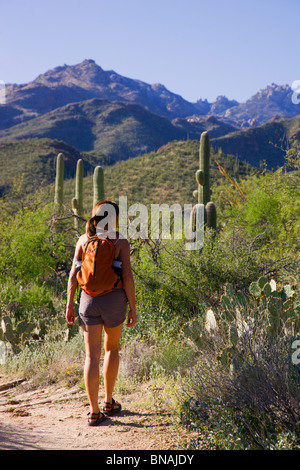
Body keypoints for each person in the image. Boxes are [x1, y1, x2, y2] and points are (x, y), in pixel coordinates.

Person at [66, 200, 137, 426]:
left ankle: (94, 412)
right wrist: (133, 308)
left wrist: (69, 304)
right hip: (114, 300)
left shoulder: (83, 239)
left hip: (87, 300)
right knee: (111, 349)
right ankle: (108, 402)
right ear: (115, 218)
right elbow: (127, 276)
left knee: (91, 356)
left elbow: (73, 275)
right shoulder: (120, 241)